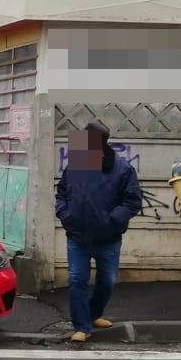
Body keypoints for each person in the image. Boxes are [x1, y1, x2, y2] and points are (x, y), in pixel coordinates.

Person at [55, 121, 142, 342]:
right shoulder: (76, 165)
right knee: (76, 280)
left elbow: (132, 201)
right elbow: (62, 192)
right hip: (77, 236)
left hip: (108, 238)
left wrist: (111, 221)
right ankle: (82, 327)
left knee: (107, 282)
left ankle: (93, 314)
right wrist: (65, 214)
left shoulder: (122, 169)